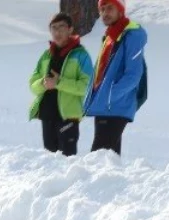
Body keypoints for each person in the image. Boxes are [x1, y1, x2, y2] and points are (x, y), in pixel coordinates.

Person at [83, 0, 148, 155]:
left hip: (115, 105)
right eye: (102, 9)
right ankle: (115, 180)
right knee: (109, 159)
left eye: (110, 8)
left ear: (121, 10)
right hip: (105, 106)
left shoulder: (132, 35)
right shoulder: (111, 36)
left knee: (98, 157)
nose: (105, 13)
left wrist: (109, 96)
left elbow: (133, 75)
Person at [29, 13, 94, 156]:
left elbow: (87, 87)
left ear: (70, 30)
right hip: (47, 115)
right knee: (50, 162)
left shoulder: (81, 55)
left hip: (68, 117)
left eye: (62, 27)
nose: (57, 32)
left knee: (67, 162)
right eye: (54, 28)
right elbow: (32, 83)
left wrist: (59, 82)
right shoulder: (46, 55)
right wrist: (43, 83)